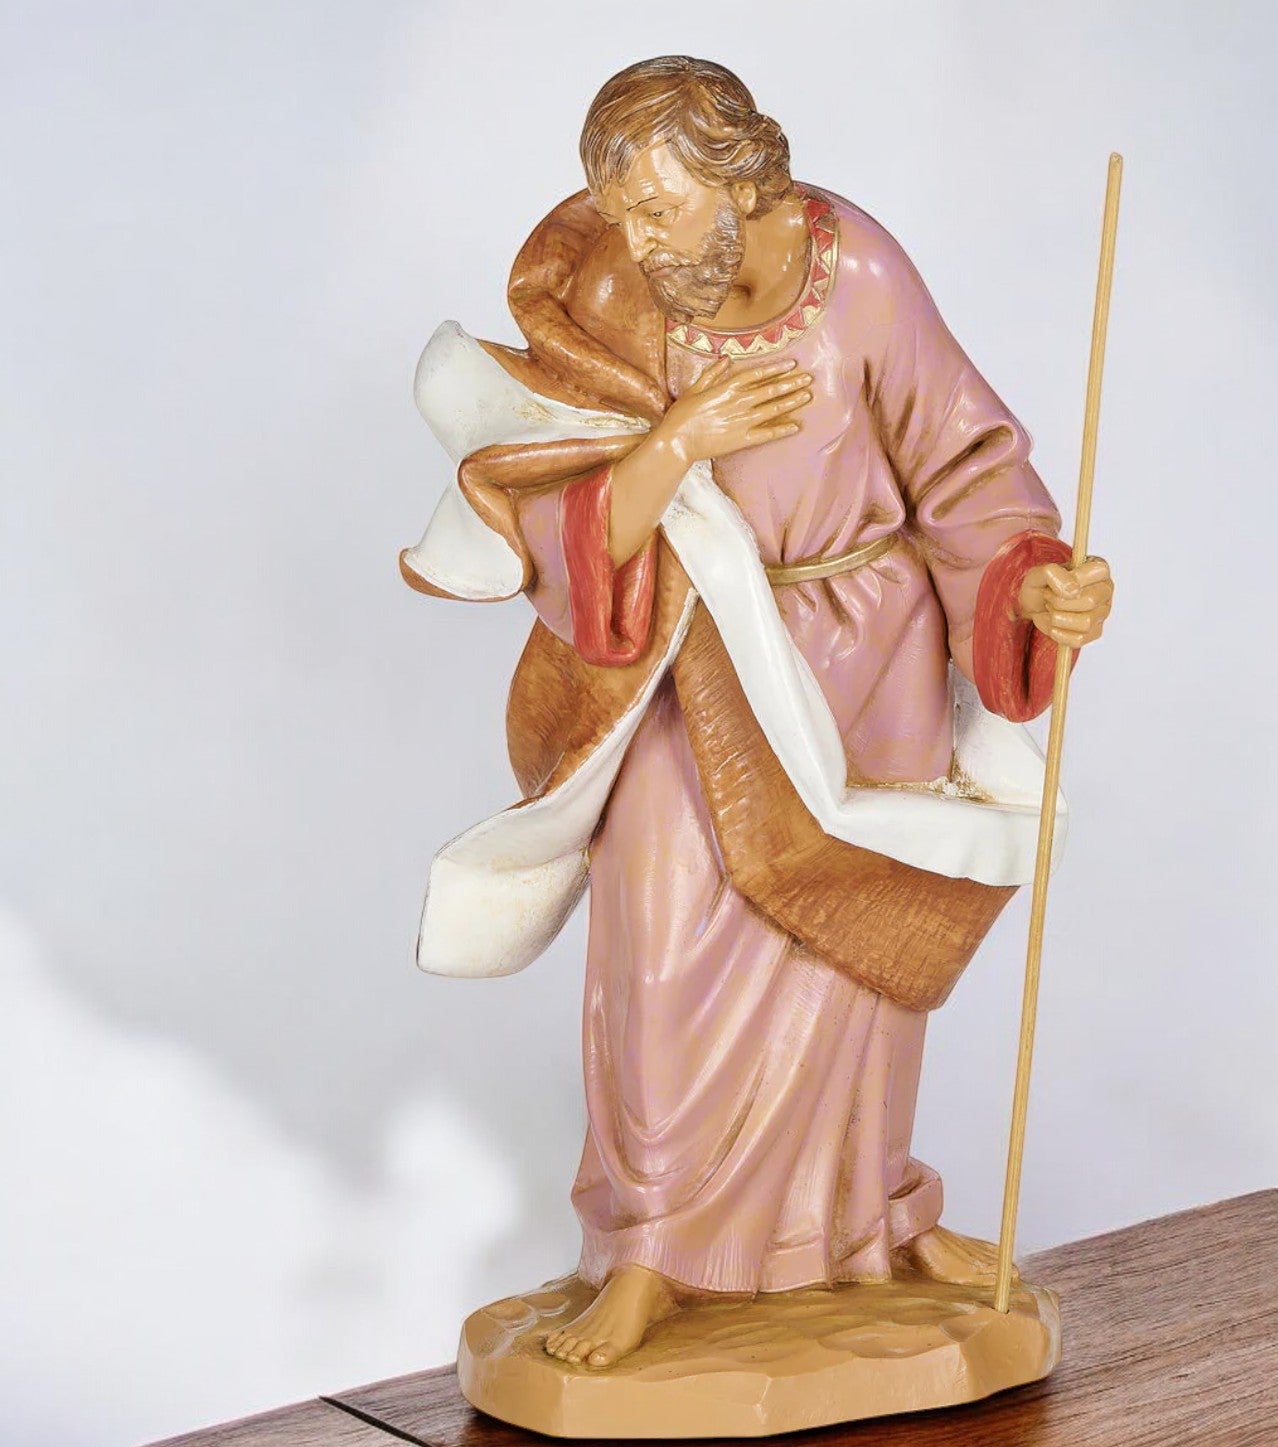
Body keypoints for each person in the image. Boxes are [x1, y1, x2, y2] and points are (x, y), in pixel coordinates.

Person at [402, 55, 1113, 1370]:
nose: (641, 241)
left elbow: (965, 465)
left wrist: (1035, 589)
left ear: (740, 175)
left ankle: (870, 1225)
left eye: (662, 208)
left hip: (873, 660)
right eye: (622, 213)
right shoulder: (621, 296)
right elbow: (557, 516)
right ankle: (651, 1252)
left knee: (857, 964)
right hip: (705, 658)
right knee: (657, 943)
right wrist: (681, 436)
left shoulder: (859, 271)